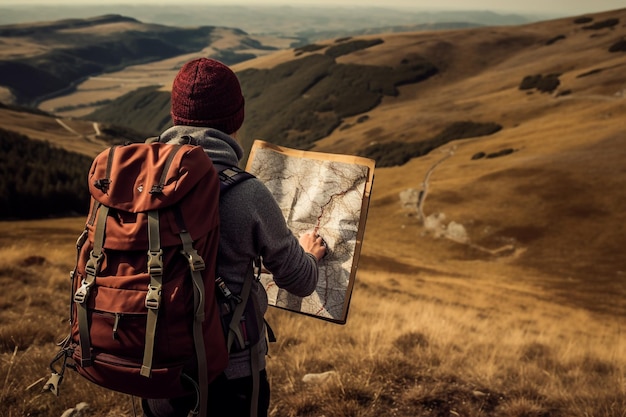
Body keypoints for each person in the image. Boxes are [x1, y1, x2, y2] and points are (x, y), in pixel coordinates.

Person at [141, 58, 327, 417]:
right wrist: (310, 254)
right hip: (230, 369)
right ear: (235, 120)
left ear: (175, 115)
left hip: (152, 359)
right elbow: (301, 281)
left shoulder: (141, 183)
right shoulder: (247, 193)